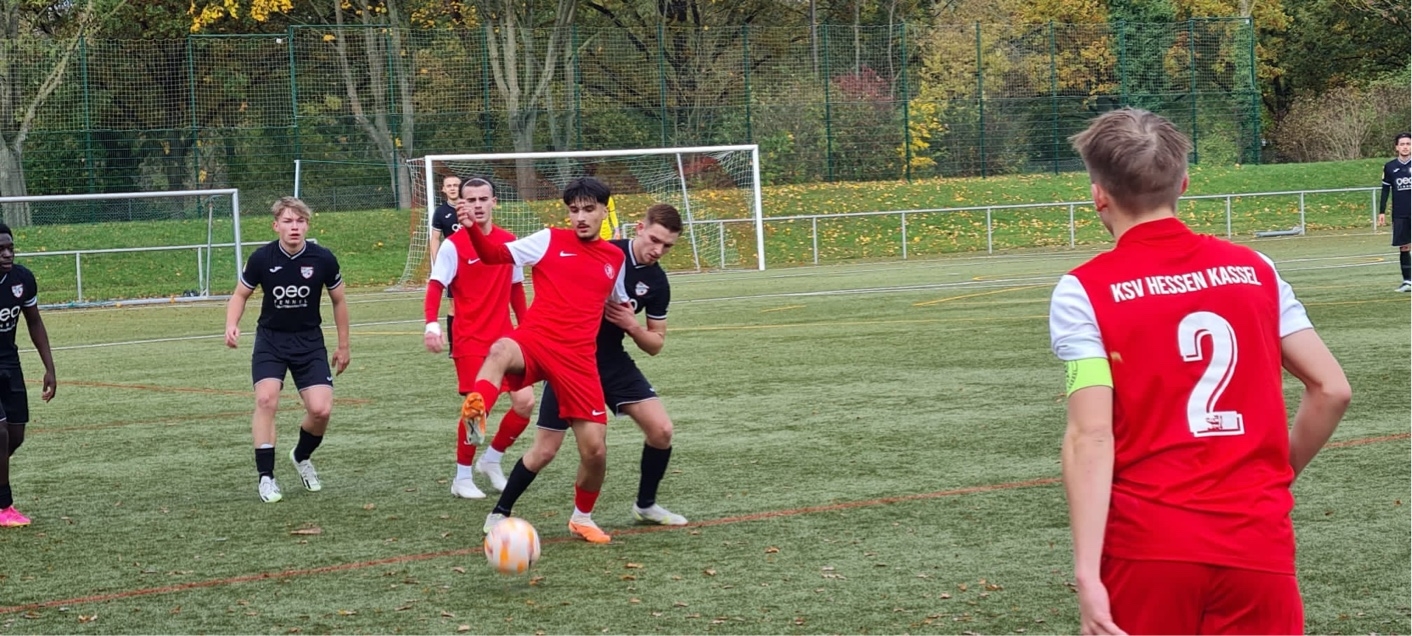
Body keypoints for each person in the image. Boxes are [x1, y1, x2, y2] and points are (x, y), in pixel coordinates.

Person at [1050, 108, 1352, 635]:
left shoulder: (1084, 291)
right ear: (1183, 183)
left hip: (1148, 543)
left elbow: (1091, 435)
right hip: (1256, 539)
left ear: (1098, 194)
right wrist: (1272, 476)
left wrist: (1086, 573)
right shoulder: (1257, 269)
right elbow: (1331, 389)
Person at [486, 203, 688, 526]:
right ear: (640, 228)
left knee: (662, 430)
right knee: (545, 450)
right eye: (654, 240)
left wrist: (632, 326)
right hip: (569, 361)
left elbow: (656, 344)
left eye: (667, 246)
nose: (658, 250)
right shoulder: (604, 252)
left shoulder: (658, 282)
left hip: (611, 361)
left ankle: (646, 505)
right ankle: (500, 511)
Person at [458, 177, 629, 544]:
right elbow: (492, 255)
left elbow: (618, 302)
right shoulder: (548, 239)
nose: (580, 217)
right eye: (574, 210)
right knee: (500, 349)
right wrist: (472, 228)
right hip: (537, 340)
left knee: (595, 451)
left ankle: (582, 518)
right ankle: (477, 410)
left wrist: (632, 314)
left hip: (579, 361)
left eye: (588, 210)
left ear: (604, 211)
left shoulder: (615, 258)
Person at [225, 197, 351, 504]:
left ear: (307, 225)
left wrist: (344, 345)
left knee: (321, 410)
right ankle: (266, 477)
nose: (294, 227)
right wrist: (231, 324)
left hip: (309, 342)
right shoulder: (261, 258)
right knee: (266, 400)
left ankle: (301, 455)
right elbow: (240, 294)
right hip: (271, 341)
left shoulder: (323, 259)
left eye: (300, 221)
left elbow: (339, 301)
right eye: (288, 221)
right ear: (276, 226)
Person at [422, 177, 535, 500]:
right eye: (470, 200)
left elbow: (516, 289)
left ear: (494, 202)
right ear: (461, 205)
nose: (477, 205)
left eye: (483, 199)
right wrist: (431, 324)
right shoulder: (453, 245)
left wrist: (527, 330)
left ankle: (492, 459)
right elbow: (435, 285)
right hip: (470, 341)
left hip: (507, 341)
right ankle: (462, 477)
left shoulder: (508, 242)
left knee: (525, 403)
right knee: (477, 409)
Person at [0, 226, 56, 528]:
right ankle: (4, 506)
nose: (7, 254)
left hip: (9, 363)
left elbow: (34, 322)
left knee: (15, 435)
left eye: (10, 248)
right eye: (0, 250)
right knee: (0, 433)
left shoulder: (22, 280)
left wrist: (49, 368)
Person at [429, 174, 463, 340]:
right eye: (449, 185)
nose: (452, 188)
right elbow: (435, 238)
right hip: (454, 266)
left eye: (456, 185)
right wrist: (438, 264)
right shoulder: (441, 212)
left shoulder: (470, 208)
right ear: (443, 189)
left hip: (473, 263)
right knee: (454, 306)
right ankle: (454, 346)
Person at [1378, 132, 1411, 292]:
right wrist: (1381, 211)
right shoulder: (1390, 167)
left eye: (1408, 144)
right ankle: (1408, 282)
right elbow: (1385, 190)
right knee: (1404, 247)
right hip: (1400, 213)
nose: (1405, 147)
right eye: (1402, 144)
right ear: (1397, 147)